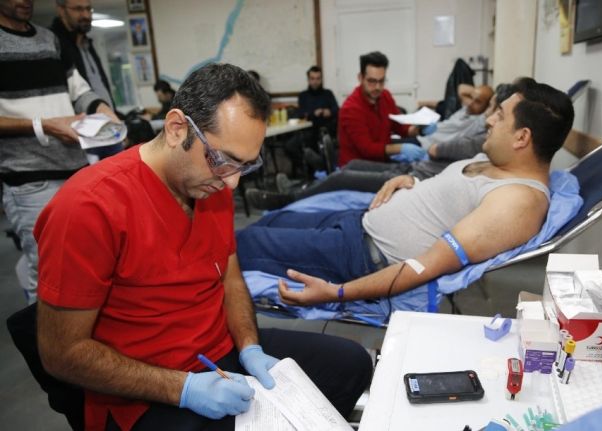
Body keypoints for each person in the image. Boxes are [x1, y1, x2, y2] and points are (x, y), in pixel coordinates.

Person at [34, 63, 372, 430]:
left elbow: (230, 278)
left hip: (220, 352)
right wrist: (184, 388)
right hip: (146, 387)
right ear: (177, 128)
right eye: (224, 160)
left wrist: (249, 346)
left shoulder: (210, 183)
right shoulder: (88, 207)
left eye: (245, 166)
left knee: (351, 365)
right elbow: (62, 354)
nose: (232, 184)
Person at [235, 79, 574, 306]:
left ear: (522, 138)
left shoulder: (517, 203)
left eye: (499, 116)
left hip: (361, 255)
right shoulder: (500, 160)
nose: (489, 121)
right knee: (268, 223)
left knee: (246, 244)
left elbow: (425, 266)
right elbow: (448, 197)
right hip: (359, 223)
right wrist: (411, 182)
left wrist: (337, 293)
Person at [0, 0, 120, 304]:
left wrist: (101, 108)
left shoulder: (48, 39)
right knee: (48, 272)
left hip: (76, 170)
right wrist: (43, 125)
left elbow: (79, 90)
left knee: (89, 261)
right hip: (30, 179)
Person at [246, 83, 513, 211]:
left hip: (414, 177)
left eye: (494, 110)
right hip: (413, 165)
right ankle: (307, 184)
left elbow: (438, 149)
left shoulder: (483, 138)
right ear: (361, 78)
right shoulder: (354, 106)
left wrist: (410, 140)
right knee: (350, 165)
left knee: (342, 177)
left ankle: (289, 199)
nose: (488, 116)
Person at [50, 0, 123, 161]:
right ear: (61, 10)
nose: (85, 15)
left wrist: (114, 115)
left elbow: (99, 85)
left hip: (107, 127)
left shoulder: (87, 43)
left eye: (88, 9)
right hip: (80, 134)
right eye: (78, 9)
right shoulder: (53, 44)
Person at [337, 51, 421, 166]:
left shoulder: (385, 96)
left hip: (380, 161)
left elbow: (400, 127)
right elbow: (367, 149)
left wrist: (419, 130)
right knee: (405, 174)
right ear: (360, 78)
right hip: (356, 167)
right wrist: (400, 148)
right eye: (372, 81)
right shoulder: (351, 108)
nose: (377, 87)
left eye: (381, 81)